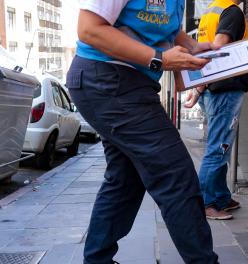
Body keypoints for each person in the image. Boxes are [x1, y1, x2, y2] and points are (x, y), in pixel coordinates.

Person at [66, 1, 220, 263]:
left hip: (127, 83)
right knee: (176, 175)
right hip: (107, 79)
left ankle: (97, 260)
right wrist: (158, 58)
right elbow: (89, 29)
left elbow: (163, 25)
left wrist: (193, 46)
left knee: (125, 179)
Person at [185, 0, 248, 220]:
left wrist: (198, 88)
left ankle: (221, 196)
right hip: (226, 89)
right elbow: (217, 49)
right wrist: (200, 86)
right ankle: (206, 202)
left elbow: (204, 50)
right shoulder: (231, 12)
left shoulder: (210, 12)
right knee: (218, 147)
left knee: (221, 146)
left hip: (213, 89)